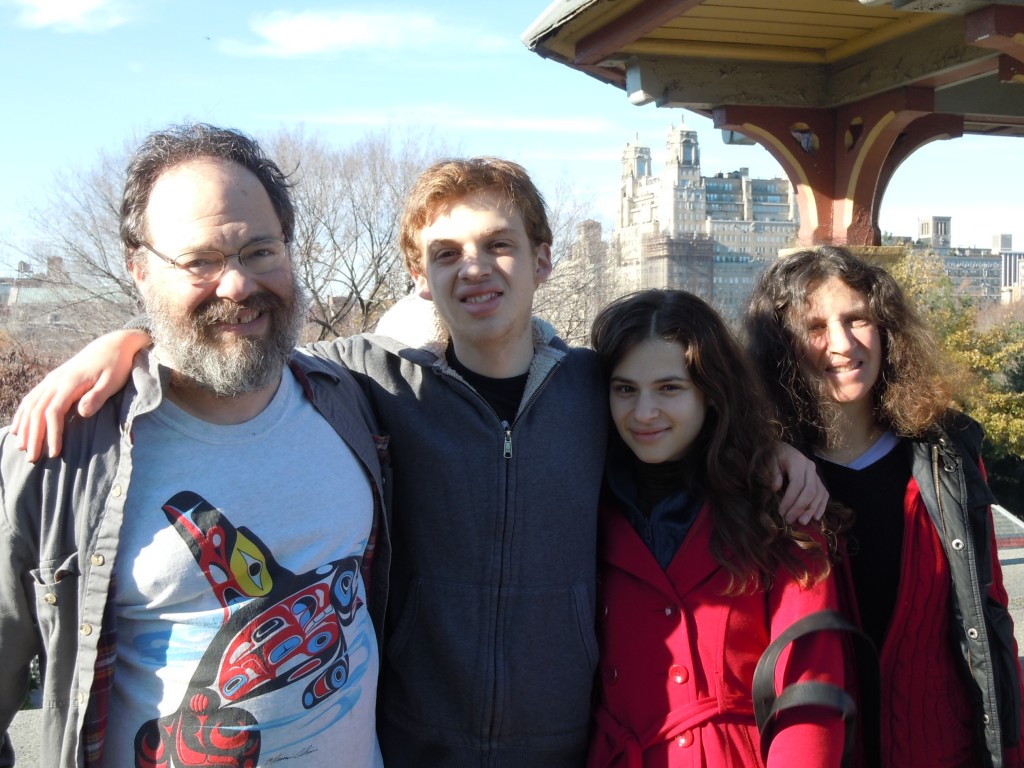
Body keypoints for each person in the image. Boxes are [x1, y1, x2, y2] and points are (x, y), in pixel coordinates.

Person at [10, 157, 828, 767]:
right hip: (409, 741)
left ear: (544, 260)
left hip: (566, 742)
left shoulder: (595, 391)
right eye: (447, 252)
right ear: (418, 273)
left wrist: (776, 453)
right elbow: (238, 341)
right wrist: (131, 341)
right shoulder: (366, 382)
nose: (473, 268)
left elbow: (683, 425)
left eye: (498, 245)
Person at [0, 124, 389, 768]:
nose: (236, 286)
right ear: (139, 269)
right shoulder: (58, 454)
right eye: (200, 261)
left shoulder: (351, 400)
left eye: (260, 251)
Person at [746, 245, 1024, 768]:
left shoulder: (947, 455)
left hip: (941, 746)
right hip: (817, 749)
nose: (842, 343)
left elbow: (990, 613)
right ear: (780, 348)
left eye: (858, 320)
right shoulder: (761, 475)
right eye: (815, 327)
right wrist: (766, 449)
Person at [587, 289, 847, 767]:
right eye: (625, 389)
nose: (643, 413)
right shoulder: (584, 503)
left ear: (711, 393)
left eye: (669, 388)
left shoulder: (778, 504)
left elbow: (810, 687)